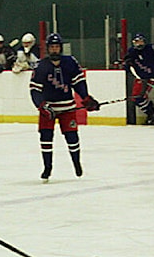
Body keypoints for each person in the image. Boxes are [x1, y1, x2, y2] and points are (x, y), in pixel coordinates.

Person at [28, 33, 100, 181]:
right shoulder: (41, 66)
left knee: (72, 136)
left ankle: (76, 163)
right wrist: (41, 105)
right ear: (48, 49)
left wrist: (85, 98)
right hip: (49, 109)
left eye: (57, 47)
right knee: (45, 136)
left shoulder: (70, 62)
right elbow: (35, 89)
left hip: (68, 107)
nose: (55, 50)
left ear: (61, 48)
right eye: (52, 47)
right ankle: (47, 168)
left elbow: (78, 82)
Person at [123, 32, 154, 125]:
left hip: (151, 76)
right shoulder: (131, 51)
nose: (139, 44)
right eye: (137, 42)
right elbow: (126, 67)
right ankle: (153, 114)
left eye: (141, 41)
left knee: (139, 97)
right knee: (137, 98)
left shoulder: (151, 48)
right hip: (140, 78)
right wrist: (127, 63)